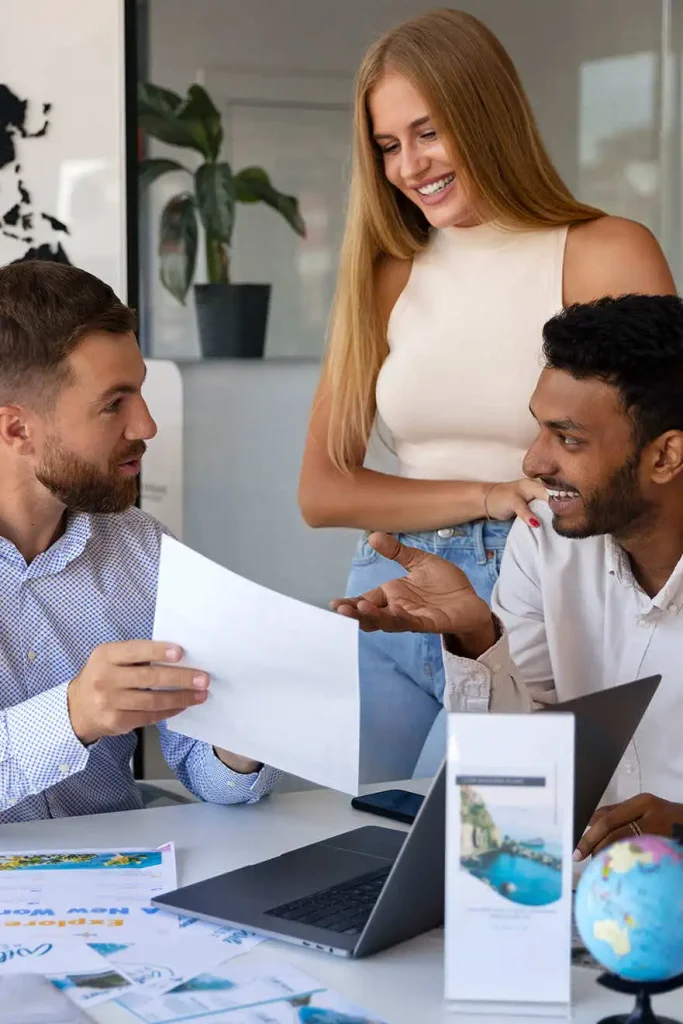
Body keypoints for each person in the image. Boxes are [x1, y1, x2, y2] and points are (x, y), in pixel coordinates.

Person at [298, 9, 676, 783]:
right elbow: (323, 490)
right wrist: (486, 491)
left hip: (536, 586)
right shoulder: (385, 274)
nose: (408, 165)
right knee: (349, 834)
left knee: (477, 846)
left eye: (427, 132)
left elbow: (658, 458)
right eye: (387, 145)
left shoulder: (603, 250)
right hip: (392, 587)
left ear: (486, 117)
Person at [331, 294, 683, 858]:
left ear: (665, 457)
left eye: (568, 439)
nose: (533, 463)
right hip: (576, 889)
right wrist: (477, 638)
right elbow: (519, 761)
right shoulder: (543, 536)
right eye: (539, 430)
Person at [0, 260, 279, 823]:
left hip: (121, 884)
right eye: (114, 404)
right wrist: (74, 714)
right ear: (16, 430)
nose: (146, 426)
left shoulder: (143, 550)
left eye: (141, 393)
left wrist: (243, 735)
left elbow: (204, 769)